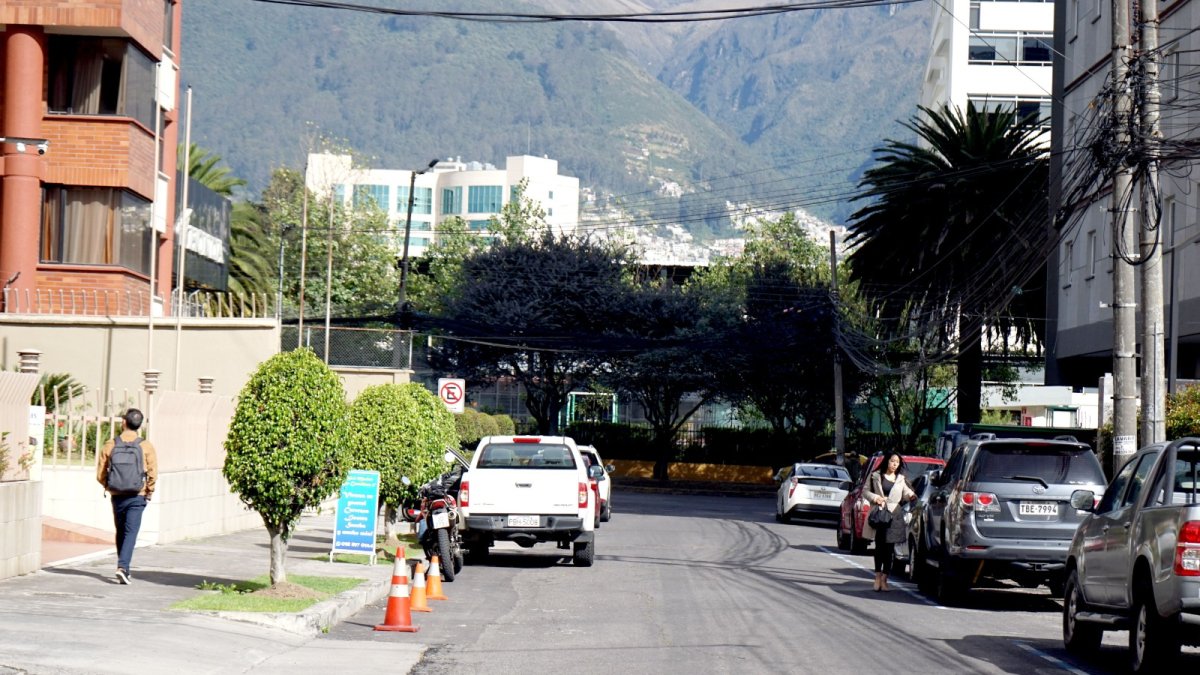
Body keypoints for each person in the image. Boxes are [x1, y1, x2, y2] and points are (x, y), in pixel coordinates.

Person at [95, 409, 158, 585]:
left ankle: (123, 566)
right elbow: (153, 472)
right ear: (140, 425)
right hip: (138, 494)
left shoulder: (111, 444)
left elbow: (100, 472)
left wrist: (109, 485)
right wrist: (149, 490)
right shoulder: (146, 446)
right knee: (131, 532)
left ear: (123, 422)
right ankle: (123, 568)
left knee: (121, 530)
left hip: (117, 495)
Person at [861, 451, 916, 592]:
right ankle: (877, 577)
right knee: (879, 547)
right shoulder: (876, 476)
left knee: (890, 549)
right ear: (887, 461)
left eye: (897, 462)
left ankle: (885, 579)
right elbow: (865, 491)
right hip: (880, 515)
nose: (894, 464)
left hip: (894, 516)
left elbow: (905, 492)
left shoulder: (900, 479)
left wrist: (911, 495)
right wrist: (876, 498)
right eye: (892, 461)